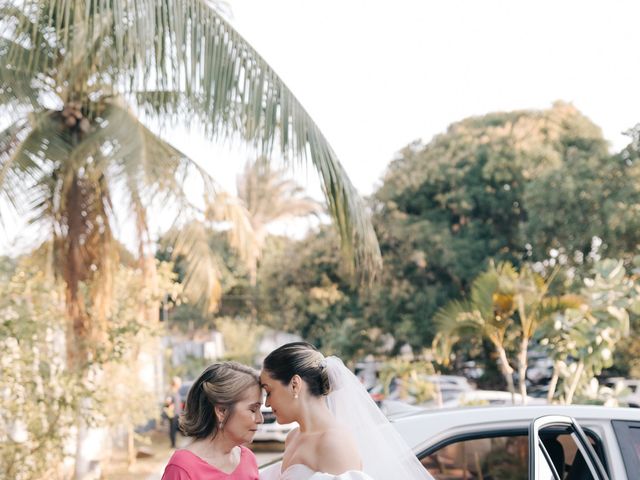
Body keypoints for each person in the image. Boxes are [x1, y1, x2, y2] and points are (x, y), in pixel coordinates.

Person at [259, 342, 434, 480]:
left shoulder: (334, 443)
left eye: (269, 391)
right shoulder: (293, 437)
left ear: (295, 385)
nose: (266, 403)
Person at [161, 362, 263, 480]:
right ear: (222, 411)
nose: (260, 419)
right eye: (253, 409)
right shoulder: (182, 467)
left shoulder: (248, 459)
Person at [167, 376, 183, 448]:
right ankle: (173, 445)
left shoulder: (176, 392)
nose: (180, 384)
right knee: (173, 429)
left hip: (177, 414)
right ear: (175, 384)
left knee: (177, 429)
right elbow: (168, 402)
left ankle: (174, 444)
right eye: (179, 383)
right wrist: (170, 406)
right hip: (173, 414)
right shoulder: (171, 392)